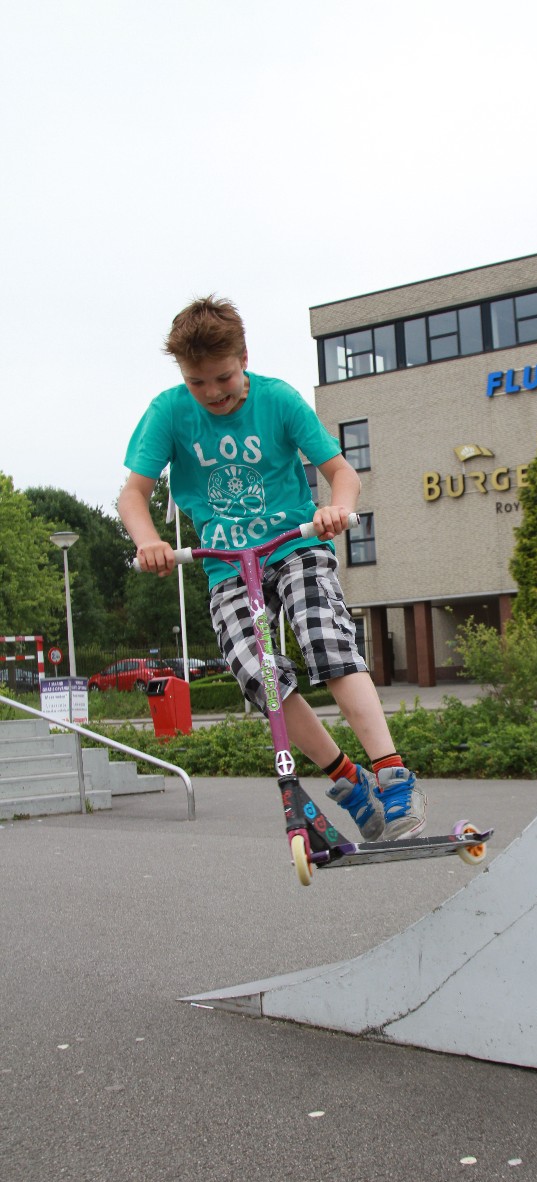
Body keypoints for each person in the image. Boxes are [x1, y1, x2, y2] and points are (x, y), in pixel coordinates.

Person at [118, 295, 426, 841]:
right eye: (197, 382)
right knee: (260, 676)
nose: (212, 393)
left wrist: (335, 508)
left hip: (294, 546)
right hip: (228, 566)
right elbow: (133, 495)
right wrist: (149, 541)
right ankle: (349, 781)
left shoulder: (278, 399)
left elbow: (342, 473)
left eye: (223, 378)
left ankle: (392, 773)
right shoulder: (168, 412)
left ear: (244, 358)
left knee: (325, 639)